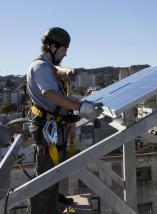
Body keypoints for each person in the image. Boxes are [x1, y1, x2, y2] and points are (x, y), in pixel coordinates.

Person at [26, 27, 102, 214]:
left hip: (50, 127)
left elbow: (55, 69)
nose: (65, 54)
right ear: (51, 46)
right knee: (45, 173)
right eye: (62, 50)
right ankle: (44, 207)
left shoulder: (46, 65)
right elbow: (50, 93)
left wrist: (65, 71)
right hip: (47, 129)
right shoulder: (40, 67)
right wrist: (80, 107)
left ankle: (52, 199)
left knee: (51, 170)